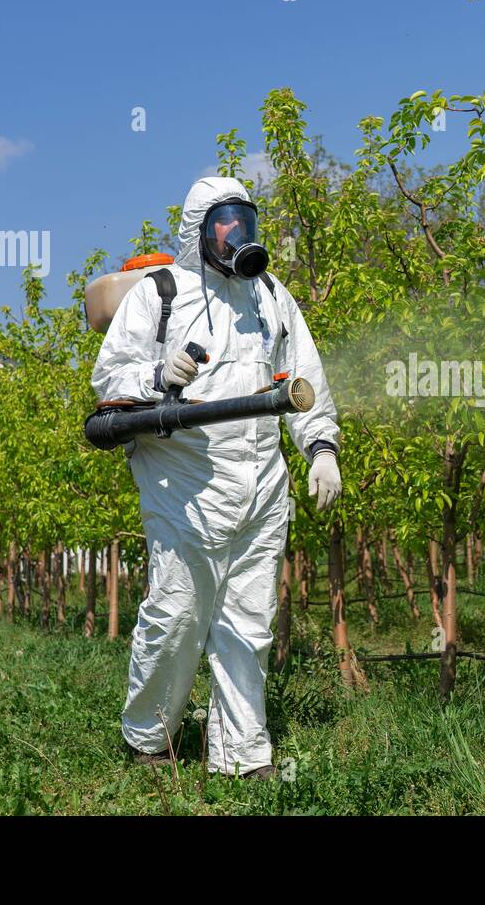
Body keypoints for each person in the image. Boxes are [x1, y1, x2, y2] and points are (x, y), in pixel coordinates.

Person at [91, 176, 342, 779]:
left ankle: (241, 755)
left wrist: (322, 446)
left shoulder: (271, 294)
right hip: (185, 483)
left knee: (250, 622)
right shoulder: (160, 293)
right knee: (177, 614)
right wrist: (157, 373)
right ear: (199, 229)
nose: (238, 233)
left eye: (246, 221)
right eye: (225, 222)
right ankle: (149, 741)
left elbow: (303, 376)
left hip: (262, 482)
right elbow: (107, 382)